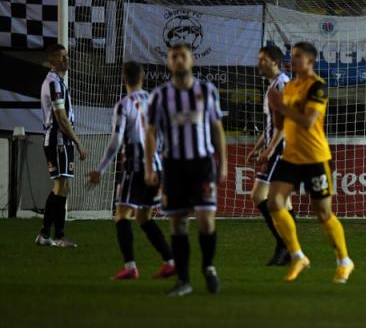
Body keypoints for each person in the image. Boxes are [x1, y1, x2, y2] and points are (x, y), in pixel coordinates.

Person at [266, 41, 354, 283]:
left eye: (298, 57)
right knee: (273, 201)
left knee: (323, 213)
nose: (293, 61)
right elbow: (281, 125)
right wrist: (276, 108)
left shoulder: (318, 87)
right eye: (292, 57)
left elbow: (307, 121)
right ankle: (297, 256)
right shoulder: (290, 86)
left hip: (315, 157)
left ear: (310, 61)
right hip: (291, 157)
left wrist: (281, 105)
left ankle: (344, 261)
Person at [144, 44, 227, 297]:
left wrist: (222, 163)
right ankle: (184, 280)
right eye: (174, 57)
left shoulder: (206, 90)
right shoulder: (159, 95)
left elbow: (216, 128)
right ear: (169, 63)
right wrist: (150, 167)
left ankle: (208, 267)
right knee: (178, 223)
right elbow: (151, 132)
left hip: (202, 164)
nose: (179, 61)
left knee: (205, 221)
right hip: (174, 166)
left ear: (192, 60)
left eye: (183, 56)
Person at [87, 61, 176, 280]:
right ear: (143, 78)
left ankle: (130, 266)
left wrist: (100, 169)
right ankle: (170, 261)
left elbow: (116, 141)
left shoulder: (124, 105)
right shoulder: (155, 101)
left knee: (122, 215)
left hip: (136, 165)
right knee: (144, 217)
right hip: (156, 165)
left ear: (123, 79)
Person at [245, 44, 292, 266]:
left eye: (262, 59)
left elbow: (285, 123)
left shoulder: (283, 85)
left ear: (274, 61)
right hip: (278, 147)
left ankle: (284, 244)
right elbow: (272, 124)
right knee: (284, 204)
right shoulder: (273, 86)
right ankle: (291, 250)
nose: (259, 63)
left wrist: (271, 148)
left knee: (259, 195)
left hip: (283, 149)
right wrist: (258, 147)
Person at [36, 43, 86, 247]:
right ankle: (57, 237)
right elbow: (61, 118)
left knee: (62, 186)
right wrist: (78, 142)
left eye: (66, 56)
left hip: (57, 139)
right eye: (61, 57)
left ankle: (46, 235)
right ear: (52, 61)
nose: (66, 59)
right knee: (61, 185)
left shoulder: (56, 81)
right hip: (58, 139)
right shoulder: (54, 83)